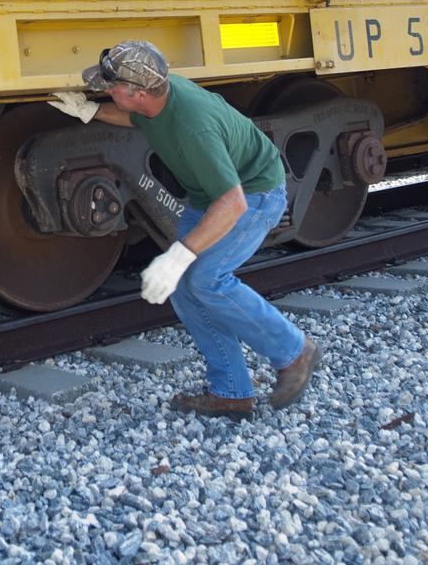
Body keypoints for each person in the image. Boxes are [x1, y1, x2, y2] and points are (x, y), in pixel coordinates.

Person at [48, 40, 321, 419]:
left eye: (111, 89)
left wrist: (181, 254)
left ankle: (294, 351)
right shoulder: (157, 98)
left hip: (255, 194)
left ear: (139, 92)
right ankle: (231, 393)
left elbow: (234, 203)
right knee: (186, 289)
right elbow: (135, 118)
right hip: (207, 196)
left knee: (207, 279)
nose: (105, 91)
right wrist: (90, 110)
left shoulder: (195, 128)